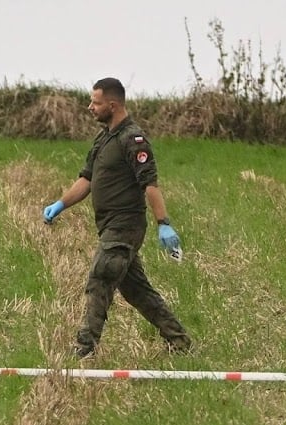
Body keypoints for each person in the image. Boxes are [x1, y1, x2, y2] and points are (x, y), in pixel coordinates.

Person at [43, 77, 191, 359]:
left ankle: (84, 348)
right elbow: (86, 180)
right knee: (136, 290)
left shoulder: (132, 139)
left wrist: (164, 224)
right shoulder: (104, 138)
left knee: (101, 277)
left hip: (125, 226)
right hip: (109, 226)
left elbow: (150, 184)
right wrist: (59, 205)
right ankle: (180, 341)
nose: (90, 107)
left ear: (113, 105)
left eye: (95, 103)